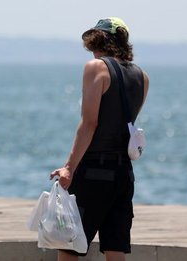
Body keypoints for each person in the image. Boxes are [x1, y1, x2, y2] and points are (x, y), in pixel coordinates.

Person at [49, 17, 150, 261]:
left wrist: (69, 168)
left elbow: (90, 123)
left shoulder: (96, 68)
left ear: (99, 41)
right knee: (115, 248)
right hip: (123, 174)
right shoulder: (142, 77)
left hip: (93, 171)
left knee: (69, 246)